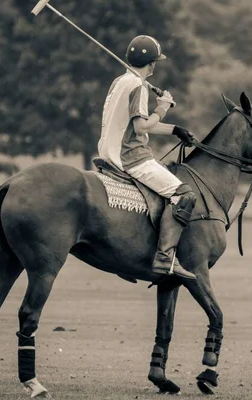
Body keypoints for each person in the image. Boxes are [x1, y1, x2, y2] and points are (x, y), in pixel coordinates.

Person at [97, 35, 198, 280]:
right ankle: (165, 257)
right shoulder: (138, 86)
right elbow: (142, 127)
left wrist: (175, 129)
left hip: (108, 153)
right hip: (131, 158)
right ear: (152, 64)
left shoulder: (119, 82)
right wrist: (161, 108)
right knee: (184, 194)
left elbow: (135, 125)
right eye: (156, 62)